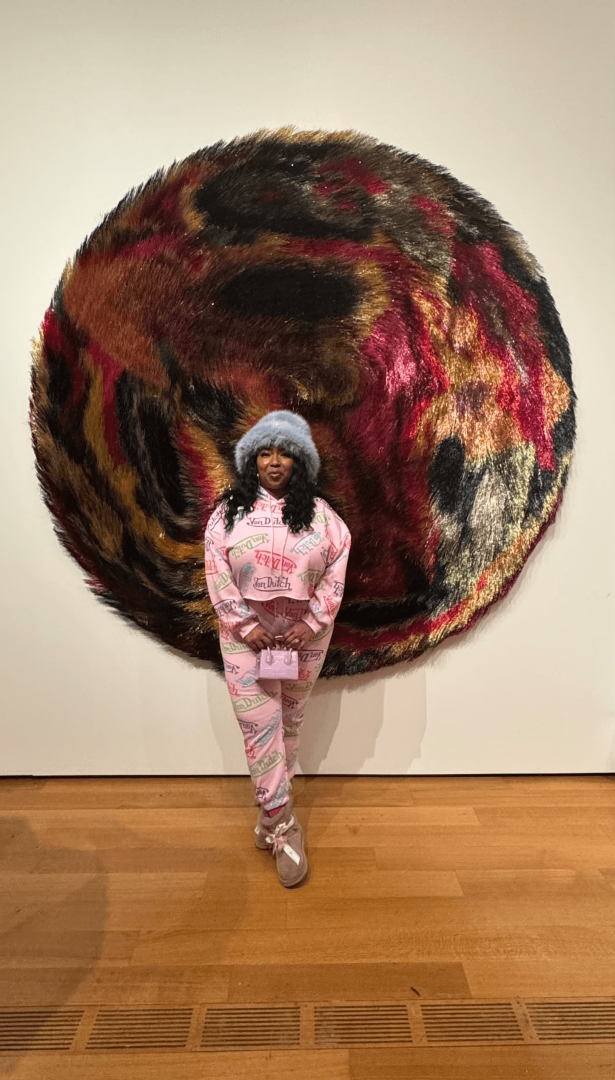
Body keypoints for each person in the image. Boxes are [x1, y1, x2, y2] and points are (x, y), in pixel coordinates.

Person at [205, 411, 351, 887]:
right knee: (259, 726)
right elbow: (216, 571)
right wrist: (245, 625)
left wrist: (311, 623)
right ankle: (284, 825)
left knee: (289, 722)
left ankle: (268, 816)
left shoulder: (323, 517)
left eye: (284, 453)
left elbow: (337, 567)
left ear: (299, 462)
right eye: (264, 453)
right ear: (251, 461)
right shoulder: (227, 515)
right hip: (246, 639)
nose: (273, 462)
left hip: (302, 638)